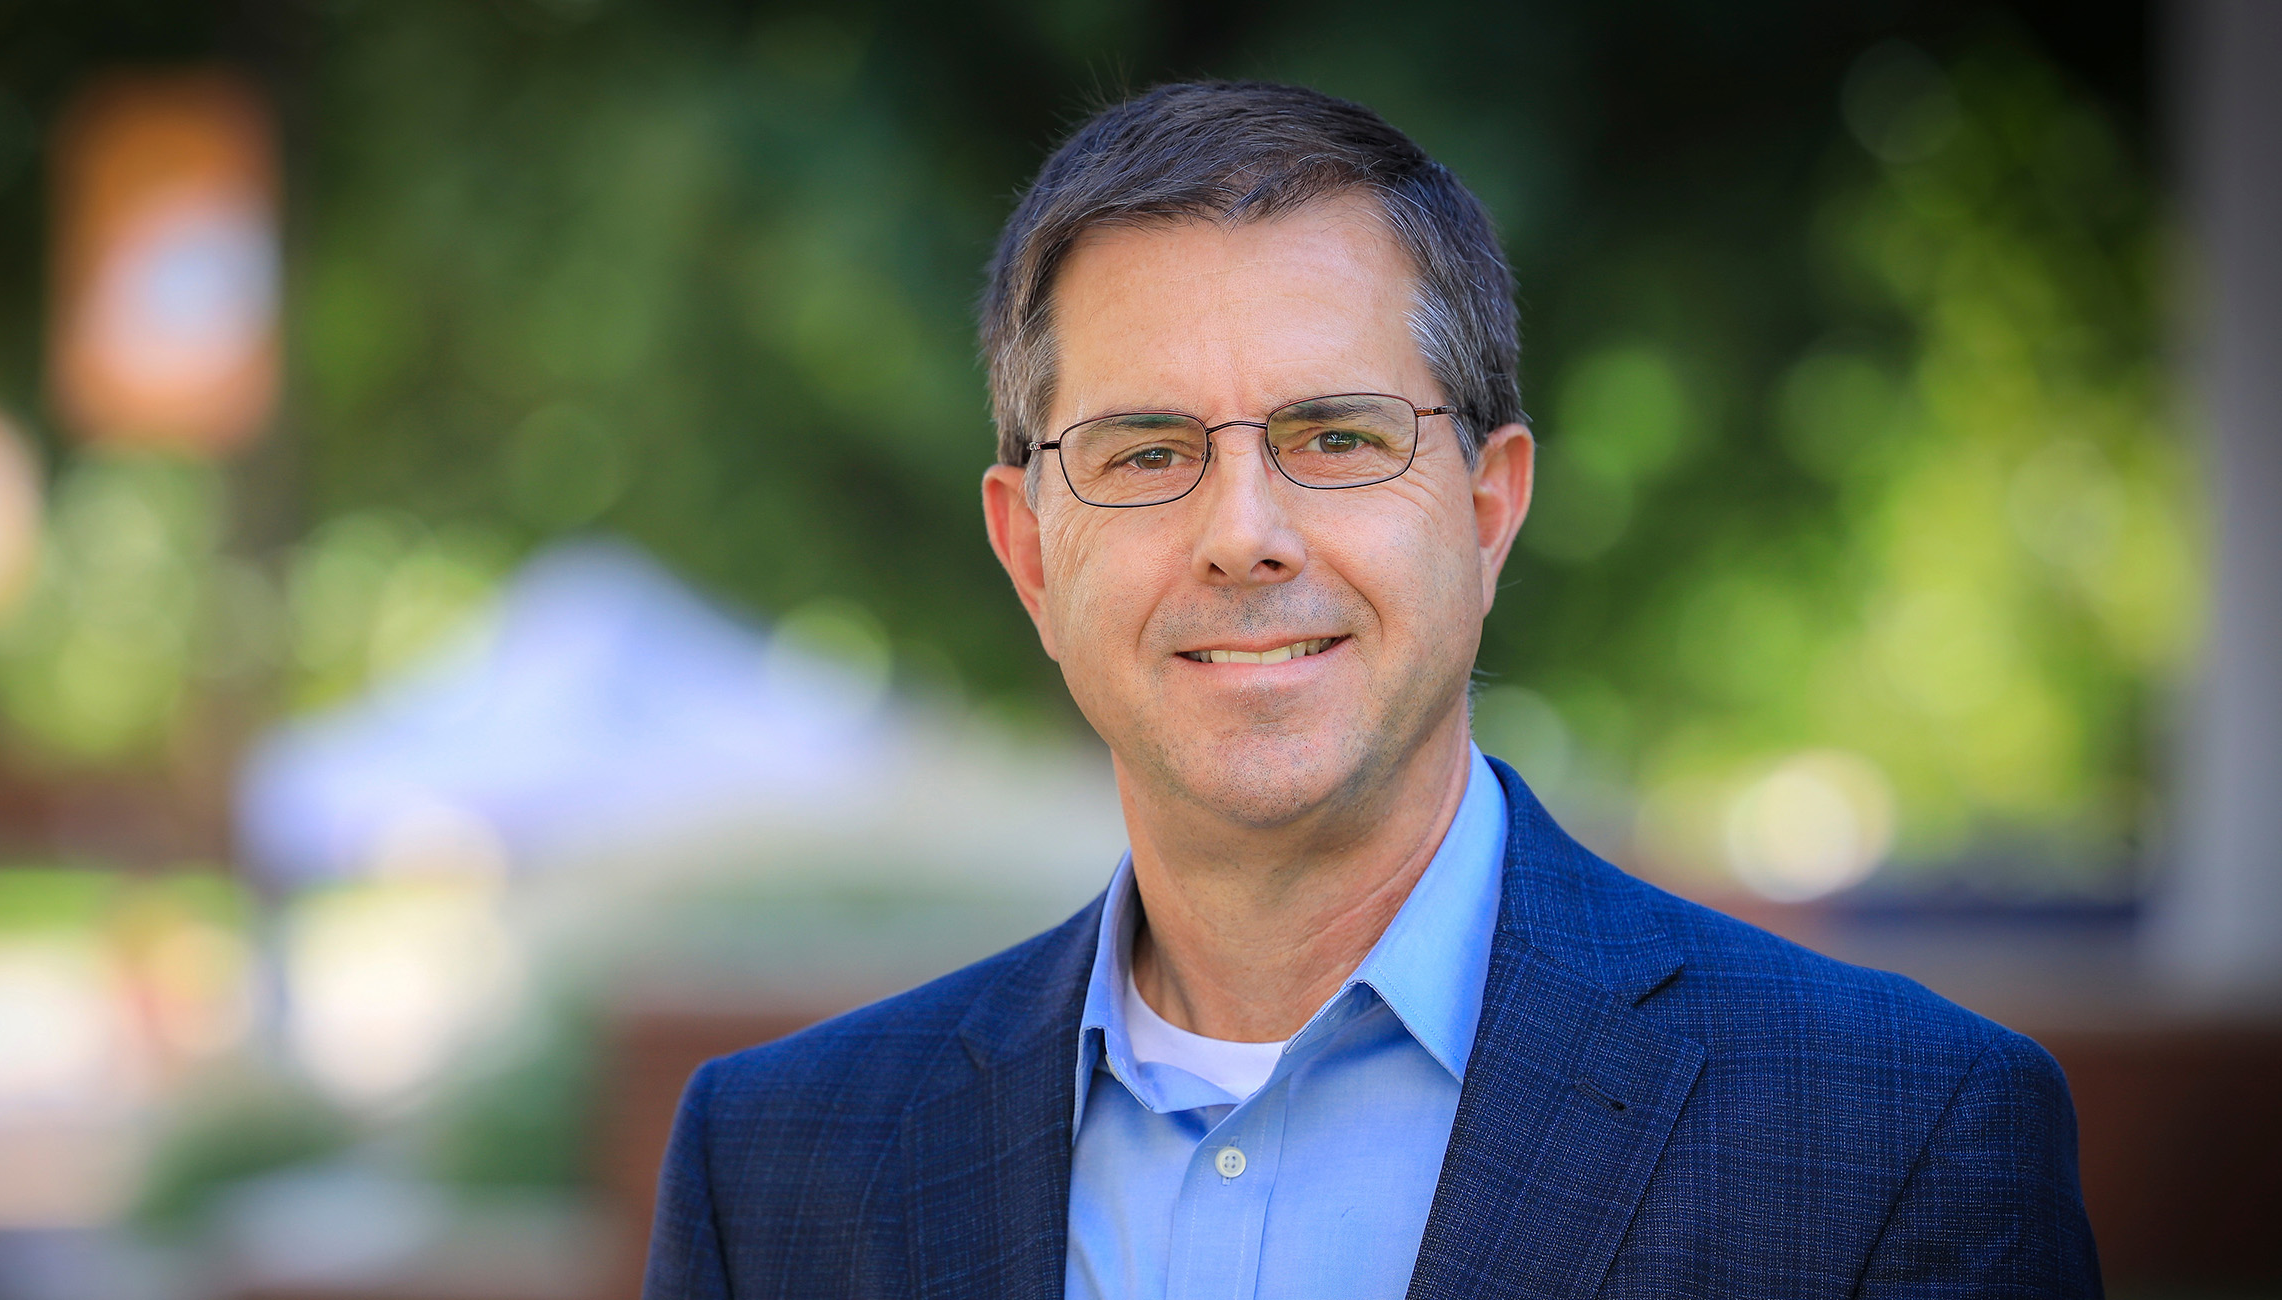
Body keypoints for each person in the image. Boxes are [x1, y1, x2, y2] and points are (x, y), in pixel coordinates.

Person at [645, 80, 2100, 1299]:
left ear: (1486, 507)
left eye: (1335, 436)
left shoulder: (1902, 1140)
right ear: (1030, 554)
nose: (1242, 534)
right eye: (1145, 452)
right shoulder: (773, 1174)